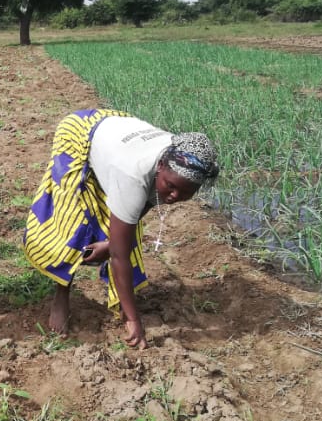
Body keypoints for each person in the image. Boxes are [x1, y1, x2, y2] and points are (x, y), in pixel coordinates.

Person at [23, 110, 220, 349]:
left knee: (121, 234)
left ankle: (123, 303)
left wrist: (110, 243)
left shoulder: (179, 159)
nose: (175, 196)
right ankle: (61, 293)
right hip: (79, 133)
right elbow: (120, 256)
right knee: (74, 224)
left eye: (186, 193)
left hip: (118, 142)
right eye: (171, 186)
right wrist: (135, 320)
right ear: (160, 166)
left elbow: (140, 206)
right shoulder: (134, 173)